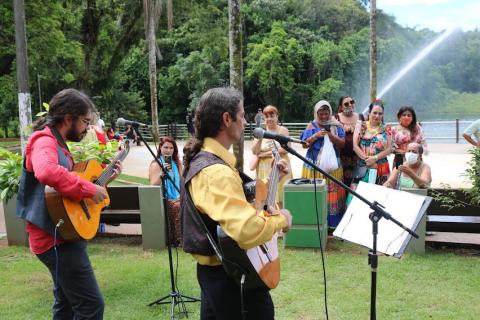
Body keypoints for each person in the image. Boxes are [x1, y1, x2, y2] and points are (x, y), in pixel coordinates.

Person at [181, 87, 292, 320]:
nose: (245, 121)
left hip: (222, 275)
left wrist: (272, 179)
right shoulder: (215, 172)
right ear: (226, 119)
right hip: (232, 280)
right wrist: (283, 219)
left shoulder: (212, 162)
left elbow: (239, 198)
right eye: (241, 115)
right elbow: (246, 230)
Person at [15, 88, 122, 319]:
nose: (86, 128)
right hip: (54, 239)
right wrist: (89, 188)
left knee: (65, 305)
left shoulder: (58, 143)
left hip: (63, 233)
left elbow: (66, 188)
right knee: (91, 306)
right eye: (84, 121)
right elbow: (47, 172)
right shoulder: (44, 140)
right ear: (68, 118)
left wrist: (104, 181)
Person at [300, 100, 346, 228]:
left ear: (330, 112)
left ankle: (332, 225)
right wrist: (316, 135)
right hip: (314, 167)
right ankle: (313, 222)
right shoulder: (311, 126)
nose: (324, 116)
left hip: (333, 168)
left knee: (332, 195)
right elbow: (304, 144)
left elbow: (342, 144)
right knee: (315, 193)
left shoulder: (336, 125)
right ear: (316, 113)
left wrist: (330, 135)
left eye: (326, 113)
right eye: (321, 114)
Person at [348, 100, 392, 203]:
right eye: (375, 113)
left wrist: (375, 158)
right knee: (357, 200)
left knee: (379, 200)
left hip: (381, 168)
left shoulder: (387, 129)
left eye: (380, 113)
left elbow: (389, 149)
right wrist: (367, 159)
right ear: (369, 113)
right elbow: (355, 146)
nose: (377, 116)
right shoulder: (361, 125)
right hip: (363, 167)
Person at [251, 105, 292, 208]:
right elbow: (255, 151)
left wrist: (264, 154)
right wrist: (260, 138)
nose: (269, 119)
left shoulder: (283, 130)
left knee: (281, 198)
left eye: (272, 115)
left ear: (277, 116)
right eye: (266, 116)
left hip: (281, 167)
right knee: (266, 198)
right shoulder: (260, 132)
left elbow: (286, 149)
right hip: (264, 169)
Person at [149, 136, 183, 246]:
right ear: (160, 148)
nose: (168, 150)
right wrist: (162, 173)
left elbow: (182, 181)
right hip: (163, 198)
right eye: (166, 147)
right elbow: (153, 183)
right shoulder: (156, 164)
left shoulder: (177, 163)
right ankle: (178, 240)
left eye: (171, 148)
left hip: (178, 196)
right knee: (177, 206)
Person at [335, 96, 365, 186]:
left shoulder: (360, 117)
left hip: (358, 158)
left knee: (357, 184)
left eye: (352, 102)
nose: (350, 105)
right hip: (341, 157)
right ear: (341, 107)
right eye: (346, 104)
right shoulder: (336, 118)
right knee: (342, 184)